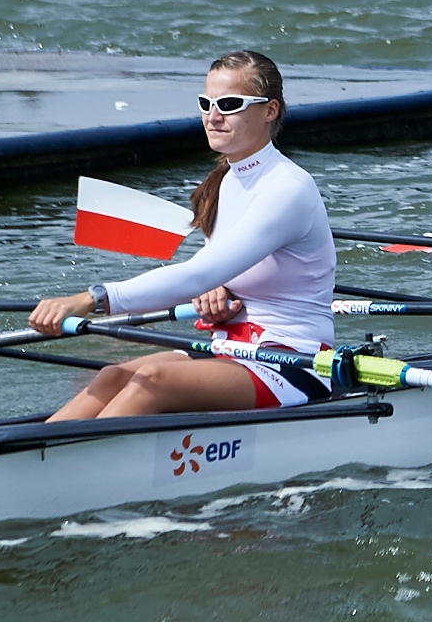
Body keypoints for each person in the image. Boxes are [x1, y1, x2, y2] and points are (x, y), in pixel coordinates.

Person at [28, 50, 339, 417]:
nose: (213, 116)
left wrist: (93, 299)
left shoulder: (287, 188)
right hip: (230, 348)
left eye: (229, 104)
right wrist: (218, 289)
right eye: (206, 104)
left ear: (270, 110)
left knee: (152, 380)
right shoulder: (226, 182)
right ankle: (33, 451)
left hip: (293, 363)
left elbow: (198, 274)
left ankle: (76, 452)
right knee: (113, 376)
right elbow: (213, 272)